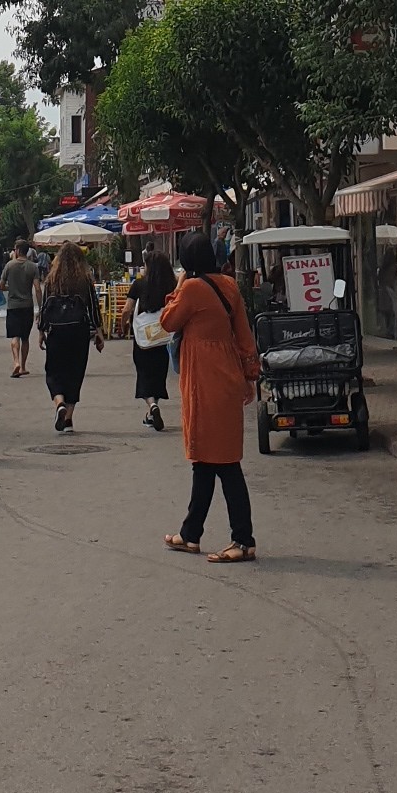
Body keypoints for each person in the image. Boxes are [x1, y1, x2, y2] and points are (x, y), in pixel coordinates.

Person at [161, 231, 261, 561]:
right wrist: (250, 376)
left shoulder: (191, 288)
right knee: (205, 461)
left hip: (205, 384)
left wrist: (178, 284)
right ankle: (190, 534)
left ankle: (243, 540)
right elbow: (244, 335)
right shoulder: (229, 285)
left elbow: (168, 321)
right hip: (227, 378)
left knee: (225, 464)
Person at [37, 241, 103, 432]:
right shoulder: (84, 280)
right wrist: (99, 332)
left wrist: (41, 331)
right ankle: (68, 420)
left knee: (53, 371)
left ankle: (59, 403)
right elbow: (93, 307)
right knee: (75, 372)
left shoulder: (52, 280)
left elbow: (44, 307)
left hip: (56, 331)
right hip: (78, 331)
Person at [127, 249, 175, 431]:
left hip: (143, 339)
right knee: (158, 374)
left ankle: (152, 406)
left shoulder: (139, 284)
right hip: (162, 337)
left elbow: (128, 308)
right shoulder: (171, 285)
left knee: (144, 374)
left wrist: (123, 323)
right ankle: (152, 412)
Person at [0, 236, 40, 378]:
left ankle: (16, 361)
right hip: (27, 306)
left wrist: (10, 288)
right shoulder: (33, 267)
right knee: (25, 338)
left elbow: (0, 286)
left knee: (14, 336)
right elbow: (37, 288)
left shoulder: (9, 266)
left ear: (17, 250)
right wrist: (41, 307)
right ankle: (22, 366)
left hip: (13, 306)